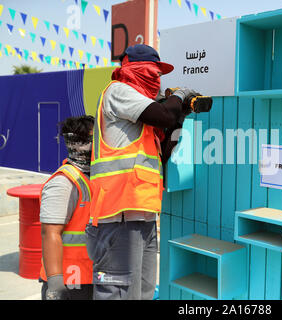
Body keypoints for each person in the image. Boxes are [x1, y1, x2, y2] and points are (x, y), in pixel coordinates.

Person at [85, 44, 196, 300]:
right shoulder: (118, 90)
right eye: (151, 70)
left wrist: (181, 117)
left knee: (143, 292)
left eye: (159, 72)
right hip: (118, 214)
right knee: (119, 293)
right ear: (131, 68)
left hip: (143, 216)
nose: (156, 77)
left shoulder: (145, 121)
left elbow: (167, 149)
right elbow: (164, 115)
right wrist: (179, 96)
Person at [39, 115, 95, 300]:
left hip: (90, 276)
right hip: (70, 282)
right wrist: (55, 286)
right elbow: (50, 232)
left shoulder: (92, 178)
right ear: (80, 143)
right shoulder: (63, 183)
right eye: (95, 139)